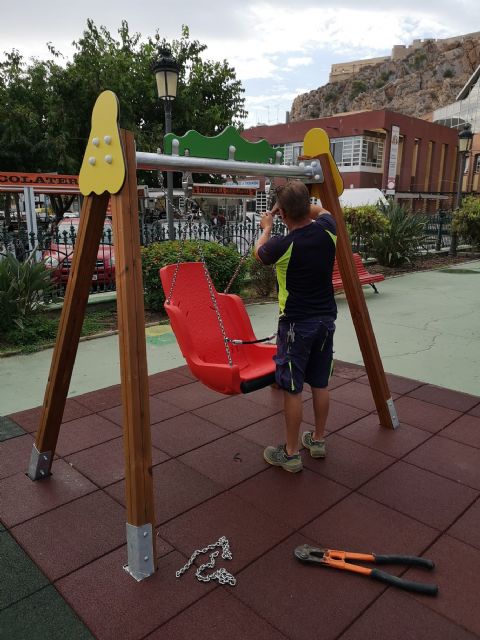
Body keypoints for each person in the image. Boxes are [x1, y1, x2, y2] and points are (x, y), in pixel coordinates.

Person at [254, 181, 337, 473]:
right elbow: (323, 210)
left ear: (284, 214)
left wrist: (267, 224)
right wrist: (293, 207)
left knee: (292, 387)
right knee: (320, 382)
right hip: (326, 321)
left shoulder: (283, 244)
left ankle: (290, 454)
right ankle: (317, 440)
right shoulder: (328, 230)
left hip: (295, 326)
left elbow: (259, 253)